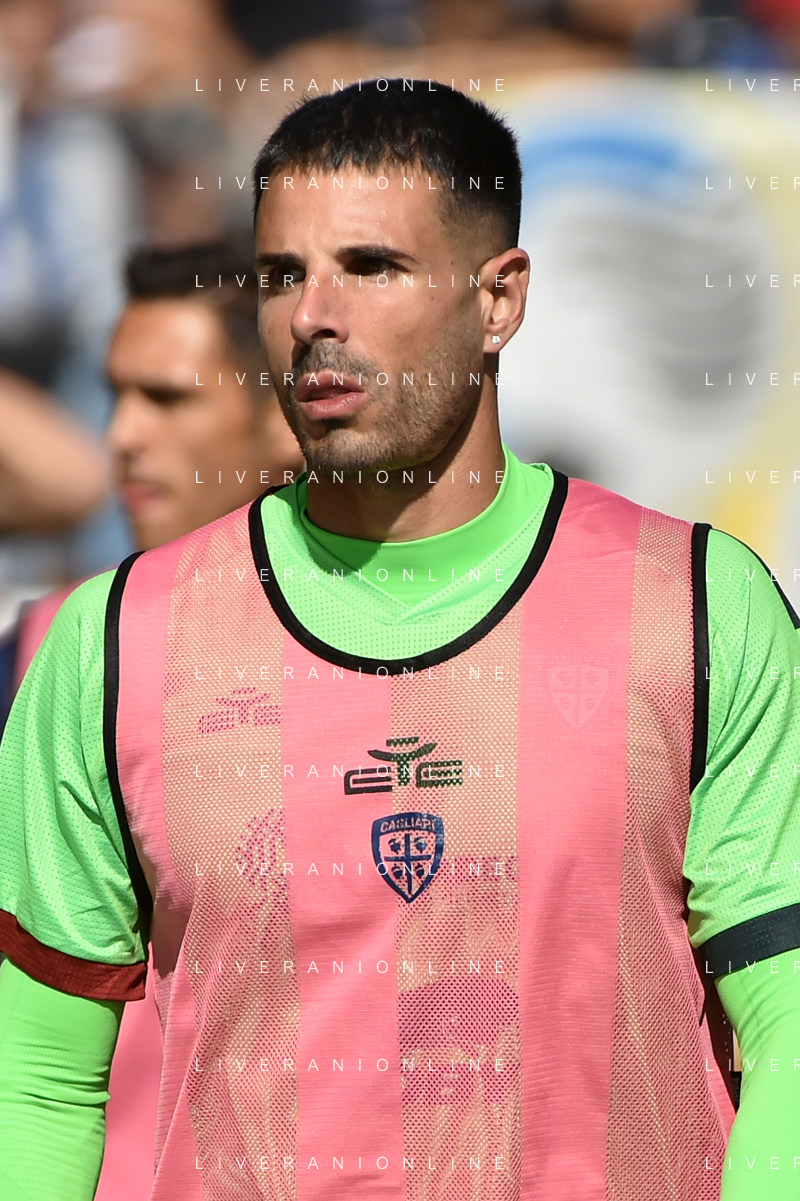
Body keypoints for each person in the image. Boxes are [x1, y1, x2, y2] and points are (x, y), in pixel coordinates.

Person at [0, 81, 798, 1201]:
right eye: (282, 275)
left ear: (498, 299)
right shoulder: (110, 642)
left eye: (370, 267)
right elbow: (36, 1082)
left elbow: (786, 1030)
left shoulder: (698, 604)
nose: (313, 315)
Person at [0, 234, 303, 1201]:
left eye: (167, 397)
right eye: (115, 394)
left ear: (288, 415)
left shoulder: (436, 665)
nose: (123, 434)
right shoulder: (39, 658)